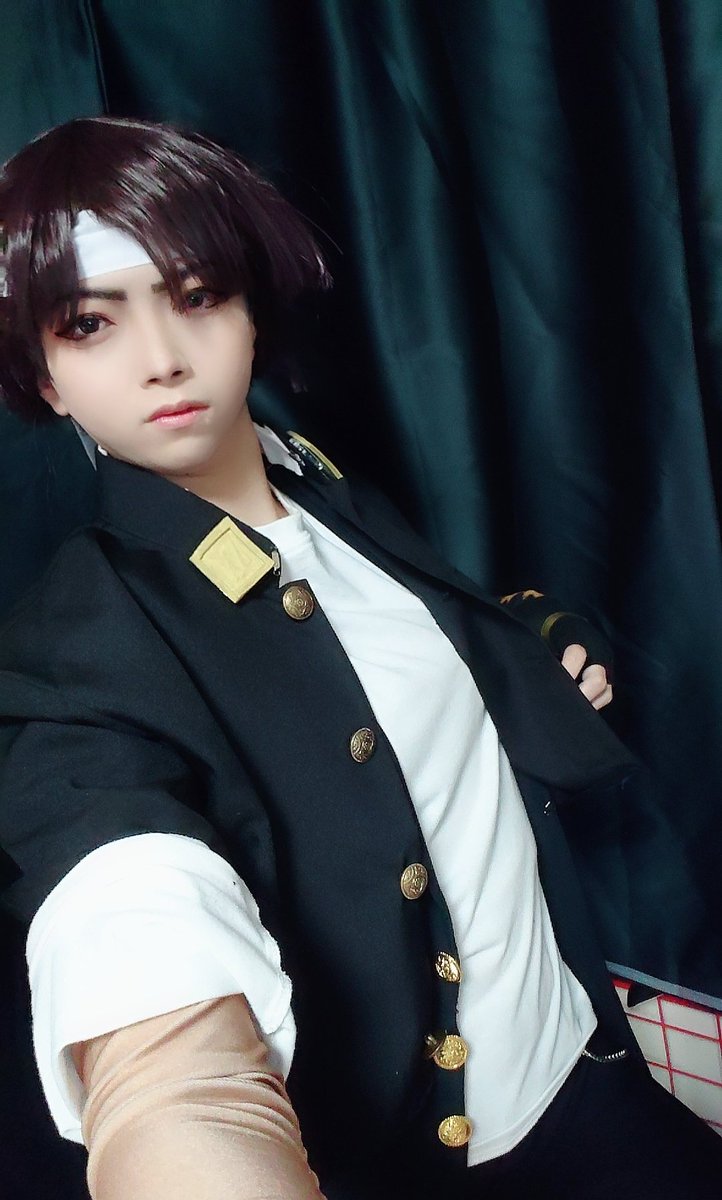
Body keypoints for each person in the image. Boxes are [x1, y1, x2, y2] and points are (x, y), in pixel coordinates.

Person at [0, 116, 719, 1200]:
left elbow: (403, 640)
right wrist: (180, 1108)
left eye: (196, 295)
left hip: (584, 1061)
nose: (162, 358)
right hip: (445, 1160)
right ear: (46, 376)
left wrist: (534, 642)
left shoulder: (319, 488)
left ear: (249, 310)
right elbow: (127, 910)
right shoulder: (71, 649)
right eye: (90, 323)